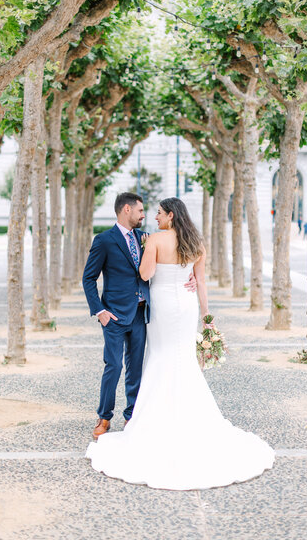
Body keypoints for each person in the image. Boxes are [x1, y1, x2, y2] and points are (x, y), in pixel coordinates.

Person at [85, 197, 275, 490]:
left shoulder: (155, 240)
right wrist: (207, 318)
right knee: (183, 359)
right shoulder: (196, 242)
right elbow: (199, 281)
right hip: (186, 307)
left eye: (159, 213)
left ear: (170, 215)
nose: (153, 217)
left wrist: (152, 251)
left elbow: (145, 275)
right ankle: (186, 420)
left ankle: (145, 418)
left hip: (161, 306)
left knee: (159, 357)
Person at [82, 192, 196, 441]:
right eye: (141, 211)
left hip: (141, 313)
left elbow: (159, 269)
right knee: (113, 366)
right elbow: (88, 278)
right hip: (112, 315)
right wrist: (99, 311)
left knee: (136, 368)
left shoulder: (144, 238)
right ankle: (104, 417)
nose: (145, 215)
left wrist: (191, 276)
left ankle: (131, 415)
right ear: (126, 210)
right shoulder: (104, 240)